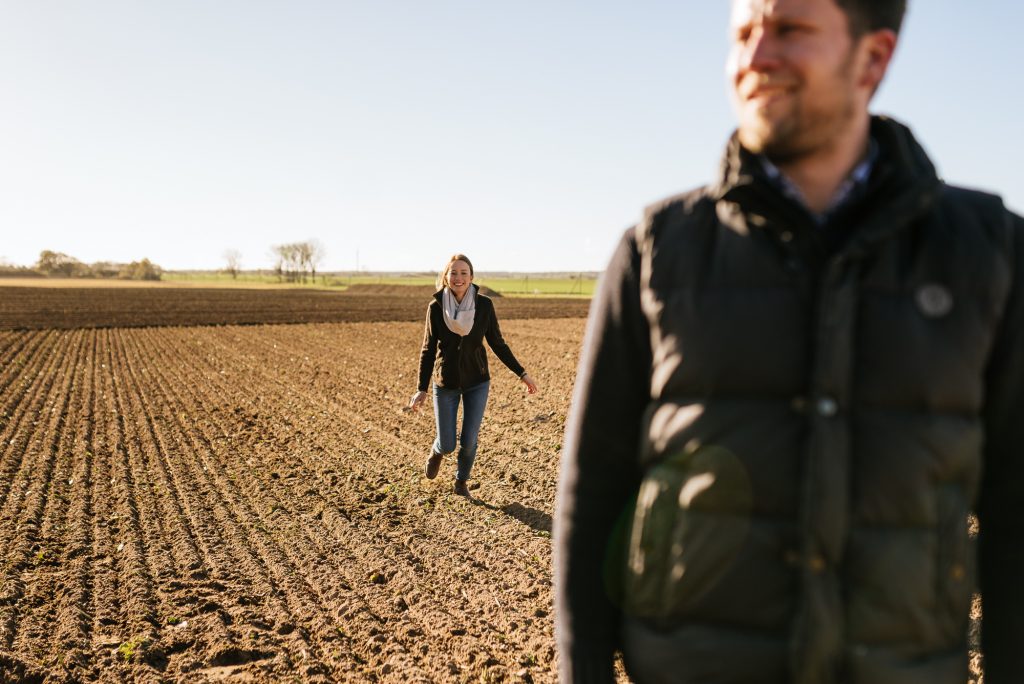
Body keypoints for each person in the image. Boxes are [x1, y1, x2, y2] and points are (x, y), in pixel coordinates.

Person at [553, 0, 1024, 682]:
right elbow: (593, 496)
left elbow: (1015, 518)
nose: (754, 57)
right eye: (742, 33)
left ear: (873, 58)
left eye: (789, 29)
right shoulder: (658, 254)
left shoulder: (989, 255)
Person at [409, 254, 539, 496]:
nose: (458, 277)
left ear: (471, 277)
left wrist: (522, 373)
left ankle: (461, 482)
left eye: (463, 273)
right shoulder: (436, 308)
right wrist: (421, 388)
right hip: (445, 383)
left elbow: (497, 344)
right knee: (447, 443)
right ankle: (437, 451)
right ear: (446, 277)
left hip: (477, 383)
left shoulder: (485, 306)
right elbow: (428, 349)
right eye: (454, 273)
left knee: (469, 441)